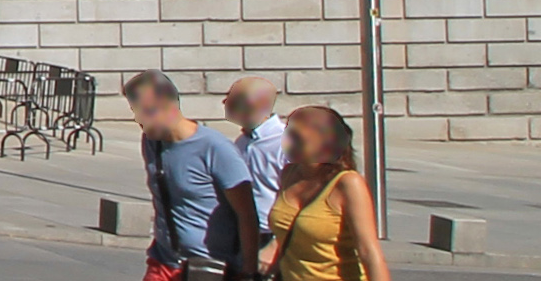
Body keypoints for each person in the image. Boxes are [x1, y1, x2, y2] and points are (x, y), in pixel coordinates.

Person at [125, 71, 255, 281]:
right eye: (135, 111)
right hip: (163, 262)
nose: (138, 119)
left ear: (170, 106)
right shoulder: (152, 142)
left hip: (207, 268)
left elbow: (247, 214)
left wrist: (249, 271)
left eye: (146, 111)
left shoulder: (215, 148)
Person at [259, 105, 392, 281]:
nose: (289, 143)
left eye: (298, 138)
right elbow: (292, 226)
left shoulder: (348, 184)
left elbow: (369, 252)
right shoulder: (289, 174)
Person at [223, 78, 289, 239]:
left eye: (234, 99)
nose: (225, 103)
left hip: (274, 235)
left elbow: (300, 194)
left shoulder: (285, 143)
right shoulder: (243, 142)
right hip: (245, 232)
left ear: (259, 104)